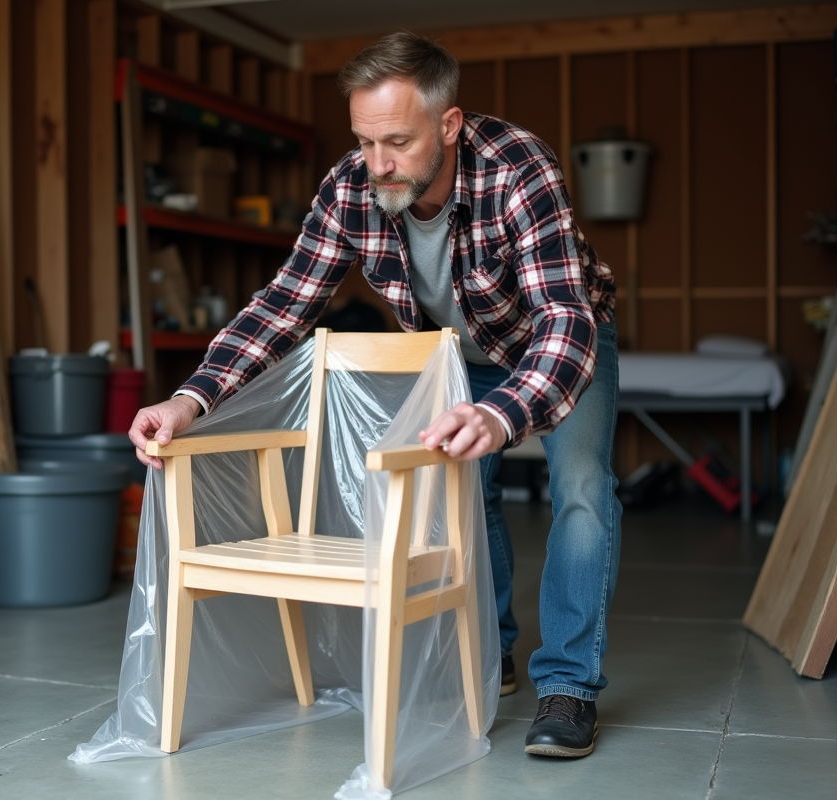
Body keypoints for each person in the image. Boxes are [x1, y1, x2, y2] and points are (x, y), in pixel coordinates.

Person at [128, 31, 621, 759]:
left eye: (397, 141)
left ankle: (570, 688)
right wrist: (191, 400)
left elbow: (563, 319)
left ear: (448, 126)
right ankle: (493, 647)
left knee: (580, 487)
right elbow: (282, 305)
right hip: (455, 355)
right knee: (461, 491)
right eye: (365, 141)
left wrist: (500, 412)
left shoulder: (521, 167)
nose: (378, 164)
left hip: (557, 346)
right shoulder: (352, 185)